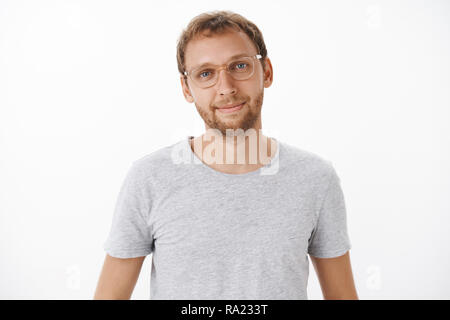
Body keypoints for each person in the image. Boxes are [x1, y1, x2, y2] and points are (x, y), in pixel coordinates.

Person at [94, 10, 358, 300]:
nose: (226, 88)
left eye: (240, 66)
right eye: (206, 74)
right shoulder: (150, 178)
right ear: (186, 88)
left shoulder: (316, 178)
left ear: (266, 72)